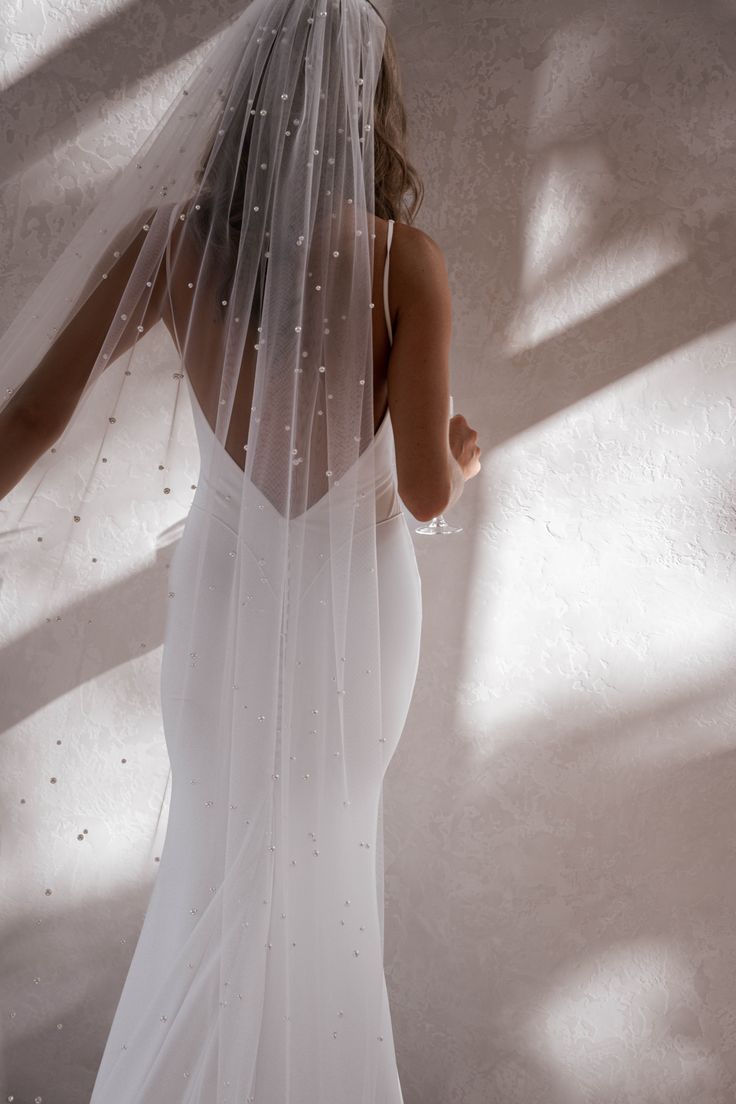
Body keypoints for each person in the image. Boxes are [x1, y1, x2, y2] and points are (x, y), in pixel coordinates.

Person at [0, 0, 481, 1099]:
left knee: (217, 865)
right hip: (358, 614)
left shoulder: (169, 241)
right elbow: (418, 489)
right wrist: (465, 457)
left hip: (226, 600)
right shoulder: (407, 262)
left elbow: (30, 420)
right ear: (367, 102)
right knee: (320, 867)